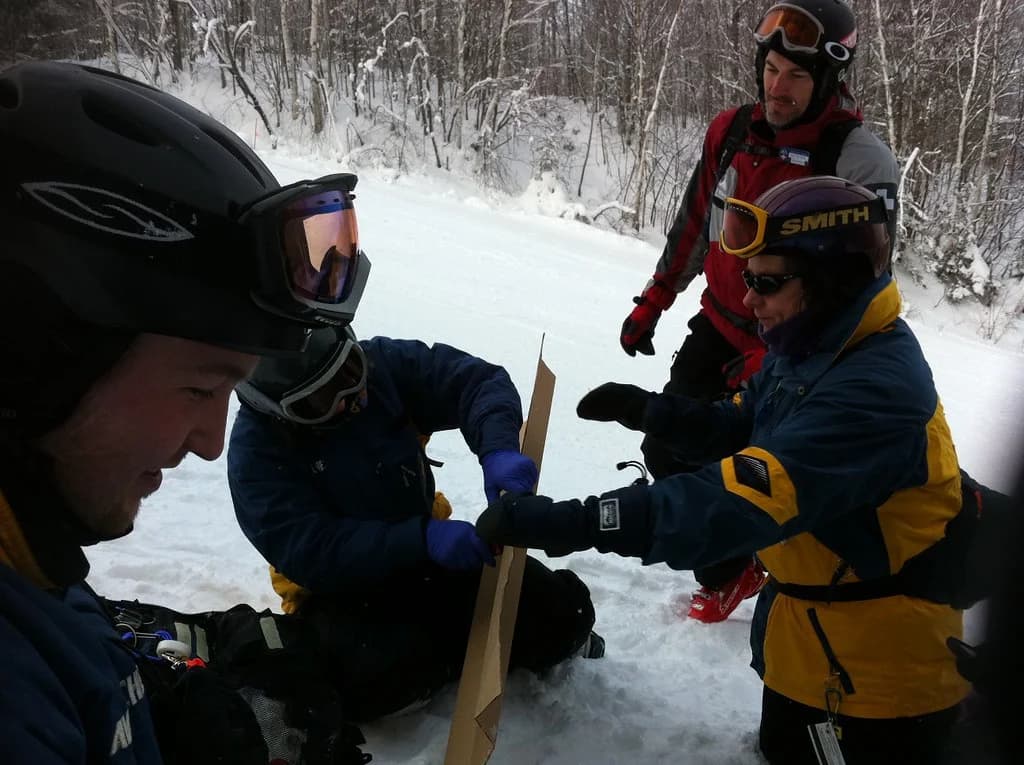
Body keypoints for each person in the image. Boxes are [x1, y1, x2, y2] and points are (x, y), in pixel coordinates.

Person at [478, 176, 969, 764]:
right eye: (746, 279)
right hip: (813, 642)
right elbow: (740, 423)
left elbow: (730, 503)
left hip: (879, 684)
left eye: (766, 282)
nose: (748, 299)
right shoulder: (812, 348)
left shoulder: (874, 390)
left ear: (832, 281)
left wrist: (577, 523)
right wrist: (651, 410)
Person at [0, 61, 373, 764]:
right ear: (36, 356)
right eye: (201, 390)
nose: (210, 443)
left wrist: (159, 702)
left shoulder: (31, 552)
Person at [619, 0, 900, 622]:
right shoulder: (731, 133)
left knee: (759, 474)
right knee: (669, 444)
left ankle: (793, 585)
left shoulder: (857, 159)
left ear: (826, 80)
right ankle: (732, 569)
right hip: (721, 319)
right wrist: (654, 300)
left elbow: (868, 279)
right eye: (772, 68)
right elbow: (694, 226)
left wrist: (812, 365)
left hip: (792, 346)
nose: (779, 86)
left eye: (797, 76)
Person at [227, 324, 603, 723]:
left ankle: (452, 648)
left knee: (564, 613)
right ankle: (439, 653)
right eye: (318, 402)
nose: (349, 402)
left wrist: (498, 450)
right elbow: (314, 552)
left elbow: (476, 381)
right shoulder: (256, 455)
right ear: (279, 411)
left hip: (429, 552)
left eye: (352, 376)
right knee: (357, 683)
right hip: (341, 590)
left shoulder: (384, 365)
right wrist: (418, 539)